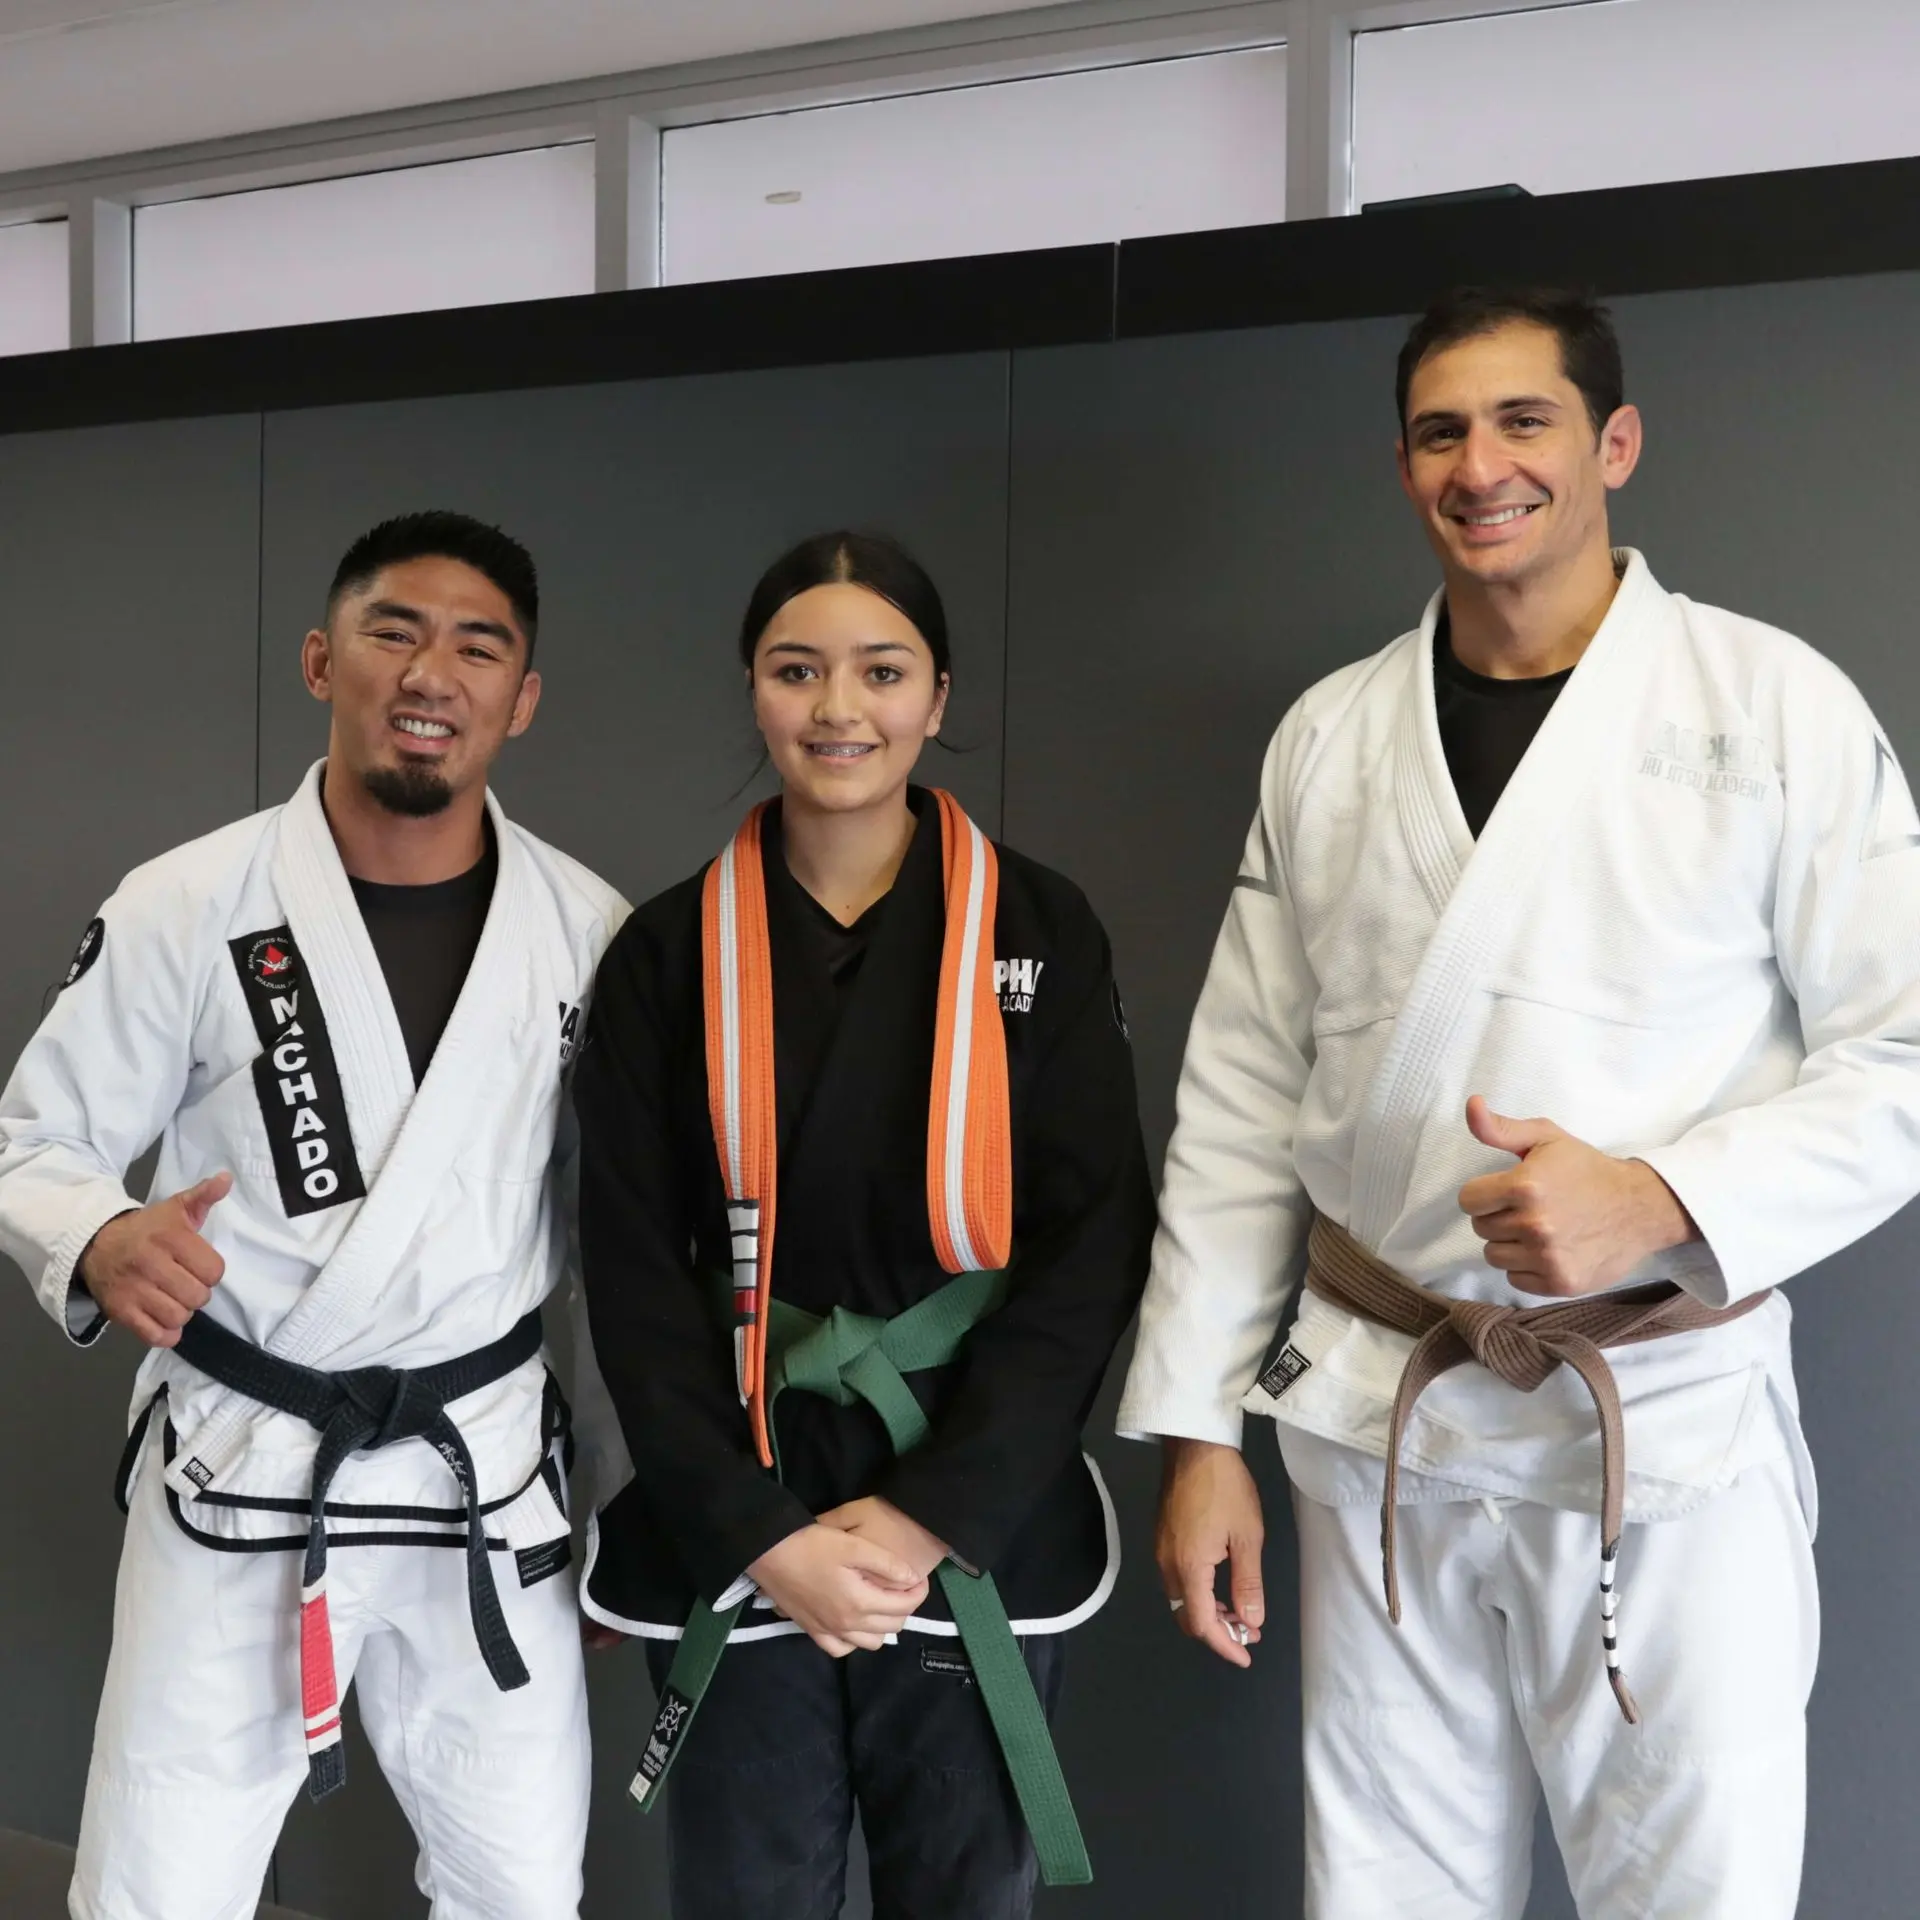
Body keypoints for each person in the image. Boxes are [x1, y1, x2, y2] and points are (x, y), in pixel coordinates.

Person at [1116, 287, 1920, 1918]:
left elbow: (1904, 1050)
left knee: (1691, 1891)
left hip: (1660, 1424)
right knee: (1385, 1890)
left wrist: (1668, 1200)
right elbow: (1241, 1094)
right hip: (1379, 1414)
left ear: (1614, 443)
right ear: (1405, 466)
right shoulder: (1333, 738)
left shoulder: (1774, 708)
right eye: (1439, 430)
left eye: (1523, 420)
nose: (1480, 464)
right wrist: (1199, 1427)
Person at [0, 511, 627, 1920]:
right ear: (319, 659)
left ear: (520, 701)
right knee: (162, 1885)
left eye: (480, 647)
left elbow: (621, 1252)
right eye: (393, 630)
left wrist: (625, 1510)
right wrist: (101, 1236)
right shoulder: (186, 902)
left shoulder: (590, 932)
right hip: (244, 1460)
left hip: (484, 1475)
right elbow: (33, 1137)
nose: (432, 673)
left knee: (524, 1888)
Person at [574, 530, 1152, 1920]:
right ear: (754, 691)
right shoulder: (667, 953)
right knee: (744, 1893)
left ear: (938, 696)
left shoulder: (1040, 928)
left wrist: (926, 1517)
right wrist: (761, 1535)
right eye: (798, 671)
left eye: (881, 671)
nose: (840, 709)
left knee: (966, 1892)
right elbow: (636, 1275)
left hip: (965, 1492)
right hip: (741, 1485)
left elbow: (1094, 1239)